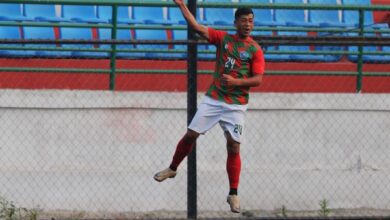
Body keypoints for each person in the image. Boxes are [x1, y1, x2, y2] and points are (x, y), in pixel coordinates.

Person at [154, 0, 265, 213]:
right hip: (214, 99)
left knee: (234, 146)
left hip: (236, 106)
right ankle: (172, 168)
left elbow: (258, 79)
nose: (248, 24)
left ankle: (233, 193)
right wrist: (181, 5)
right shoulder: (223, 39)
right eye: (244, 21)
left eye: (251, 21)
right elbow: (196, 27)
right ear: (235, 23)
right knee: (190, 135)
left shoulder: (254, 49)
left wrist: (236, 83)